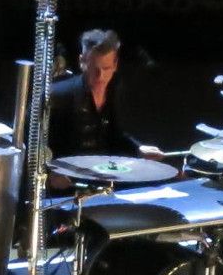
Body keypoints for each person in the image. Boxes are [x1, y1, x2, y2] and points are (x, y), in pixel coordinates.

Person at [46, 29, 162, 190]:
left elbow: (114, 135)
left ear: (115, 65)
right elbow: (35, 145)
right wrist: (50, 172)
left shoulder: (114, 90)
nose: (101, 77)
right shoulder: (58, 96)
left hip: (102, 180)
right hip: (68, 185)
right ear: (82, 62)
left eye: (106, 68)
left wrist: (137, 149)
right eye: (95, 69)